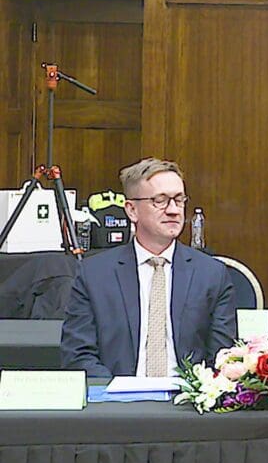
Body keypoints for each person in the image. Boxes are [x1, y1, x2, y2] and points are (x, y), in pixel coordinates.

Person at [61, 158, 235, 377]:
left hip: (188, 403)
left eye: (179, 200)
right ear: (132, 210)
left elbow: (222, 358)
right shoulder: (94, 274)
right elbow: (78, 356)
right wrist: (117, 392)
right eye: (160, 200)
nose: (173, 210)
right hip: (118, 402)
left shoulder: (211, 274)